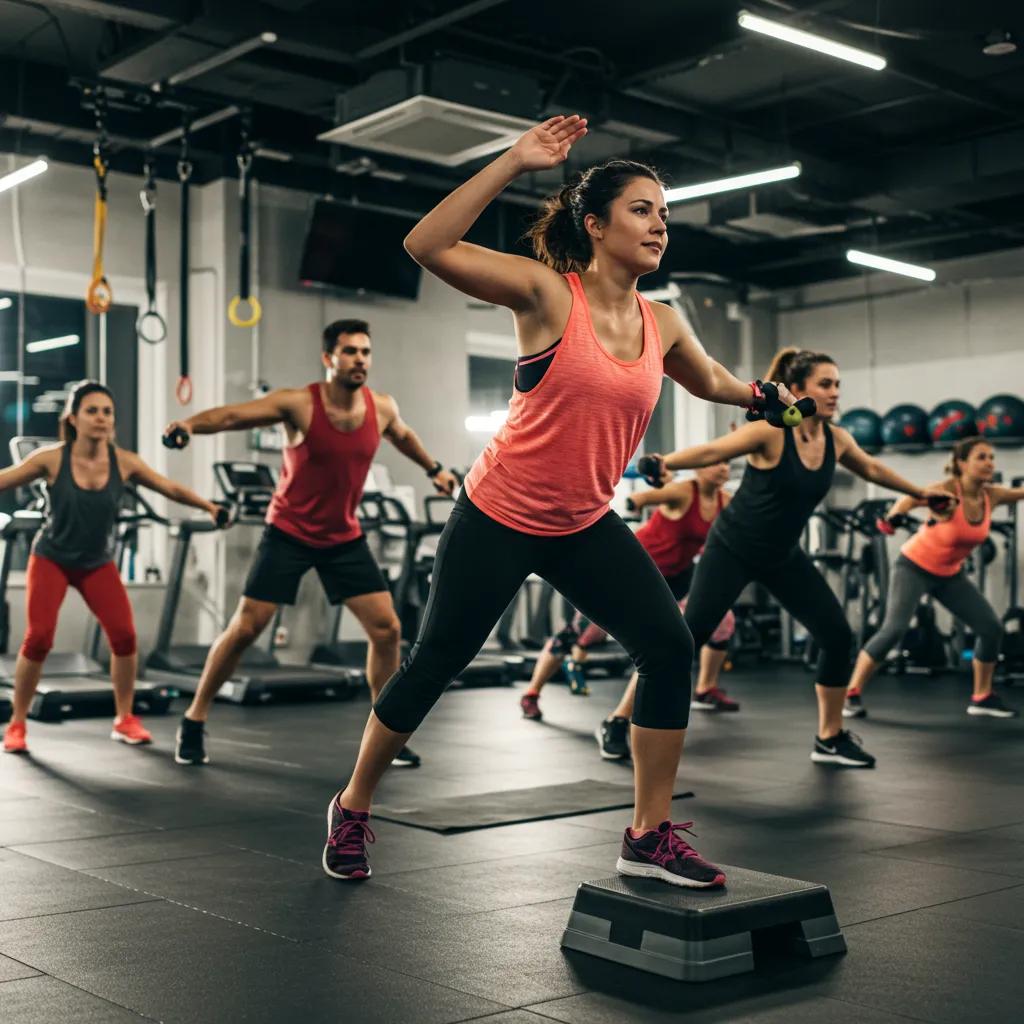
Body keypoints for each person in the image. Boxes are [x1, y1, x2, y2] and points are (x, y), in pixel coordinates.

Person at [322, 114, 803, 888]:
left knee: (671, 647)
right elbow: (426, 247)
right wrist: (514, 161)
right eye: (642, 210)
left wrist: (765, 397)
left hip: (583, 523)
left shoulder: (663, 320)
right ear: (594, 223)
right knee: (436, 661)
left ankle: (648, 835)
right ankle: (352, 807)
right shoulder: (549, 294)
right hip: (498, 516)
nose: (659, 227)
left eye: (665, 215)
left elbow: (710, 381)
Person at [164, 319, 458, 768]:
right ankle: (195, 718)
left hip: (343, 536)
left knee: (388, 629)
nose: (360, 359)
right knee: (246, 629)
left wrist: (433, 468)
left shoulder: (380, 407)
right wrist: (189, 424)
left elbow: (401, 434)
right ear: (328, 358)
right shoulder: (298, 404)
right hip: (289, 534)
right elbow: (231, 416)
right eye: (350, 351)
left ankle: (386, 730)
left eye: (365, 351)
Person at [645, 348, 952, 769]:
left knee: (838, 636)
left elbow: (874, 470)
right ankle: (621, 718)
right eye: (825, 384)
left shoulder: (836, 439)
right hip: (732, 548)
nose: (834, 393)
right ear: (797, 391)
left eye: (837, 385)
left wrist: (920, 495)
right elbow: (714, 451)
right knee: (683, 641)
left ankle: (829, 737)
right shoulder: (771, 433)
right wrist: (666, 462)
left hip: (781, 555)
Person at [2, 381, 225, 754]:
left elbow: (169, 488)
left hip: (95, 562)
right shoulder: (52, 459)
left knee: (124, 637)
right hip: (52, 558)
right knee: (39, 637)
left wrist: (210, 508)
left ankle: (124, 719)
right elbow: (5, 479)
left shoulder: (125, 461)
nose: (101, 418)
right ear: (73, 418)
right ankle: (17, 723)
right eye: (92, 411)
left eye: (107, 411)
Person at [519, 462, 739, 762]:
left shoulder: (726, 501)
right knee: (583, 632)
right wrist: (635, 502)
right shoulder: (683, 491)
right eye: (716, 464)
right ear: (699, 470)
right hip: (639, 570)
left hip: (677, 577)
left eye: (727, 464)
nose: (723, 469)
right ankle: (532, 693)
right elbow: (642, 499)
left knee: (723, 622)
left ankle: (705, 688)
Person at [845, 437, 1024, 720]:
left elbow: (1021, 493)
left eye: (991, 457)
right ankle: (851, 692)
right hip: (914, 567)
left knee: (990, 628)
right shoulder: (946, 492)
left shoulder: (993, 495)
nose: (990, 463)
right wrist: (892, 518)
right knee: (894, 629)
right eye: (981, 457)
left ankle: (982, 696)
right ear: (961, 463)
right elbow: (910, 499)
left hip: (950, 575)